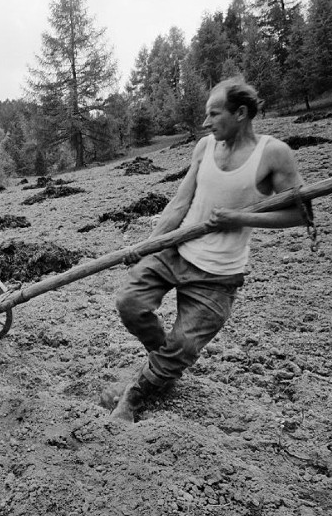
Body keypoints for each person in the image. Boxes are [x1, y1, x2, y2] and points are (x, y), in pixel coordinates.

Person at [106, 77, 309, 423]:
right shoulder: (204, 148)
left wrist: (240, 218)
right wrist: (147, 244)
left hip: (218, 274)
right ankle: (163, 366)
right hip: (177, 250)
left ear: (241, 112)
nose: (205, 122)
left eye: (214, 114)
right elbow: (179, 202)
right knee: (130, 303)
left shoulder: (273, 154)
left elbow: (301, 213)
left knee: (183, 347)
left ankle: (136, 395)